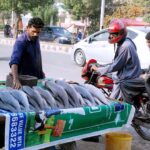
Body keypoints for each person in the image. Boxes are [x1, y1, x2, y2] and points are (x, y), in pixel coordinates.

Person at [91, 19, 145, 104]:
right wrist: (102, 66)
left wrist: (98, 70)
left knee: (111, 104)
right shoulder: (127, 41)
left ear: (120, 33)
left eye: (114, 34)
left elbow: (115, 66)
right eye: (110, 33)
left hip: (126, 79)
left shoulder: (125, 46)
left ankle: (131, 114)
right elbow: (117, 61)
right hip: (131, 74)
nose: (111, 36)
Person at [9, 17, 45, 89]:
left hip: (36, 79)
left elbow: (36, 58)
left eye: (38, 32)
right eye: (33, 31)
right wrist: (15, 79)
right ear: (27, 28)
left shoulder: (35, 38)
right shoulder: (21, 42)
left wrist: (41, 72)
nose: (36, 34)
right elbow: (14, 62)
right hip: (25, 82)